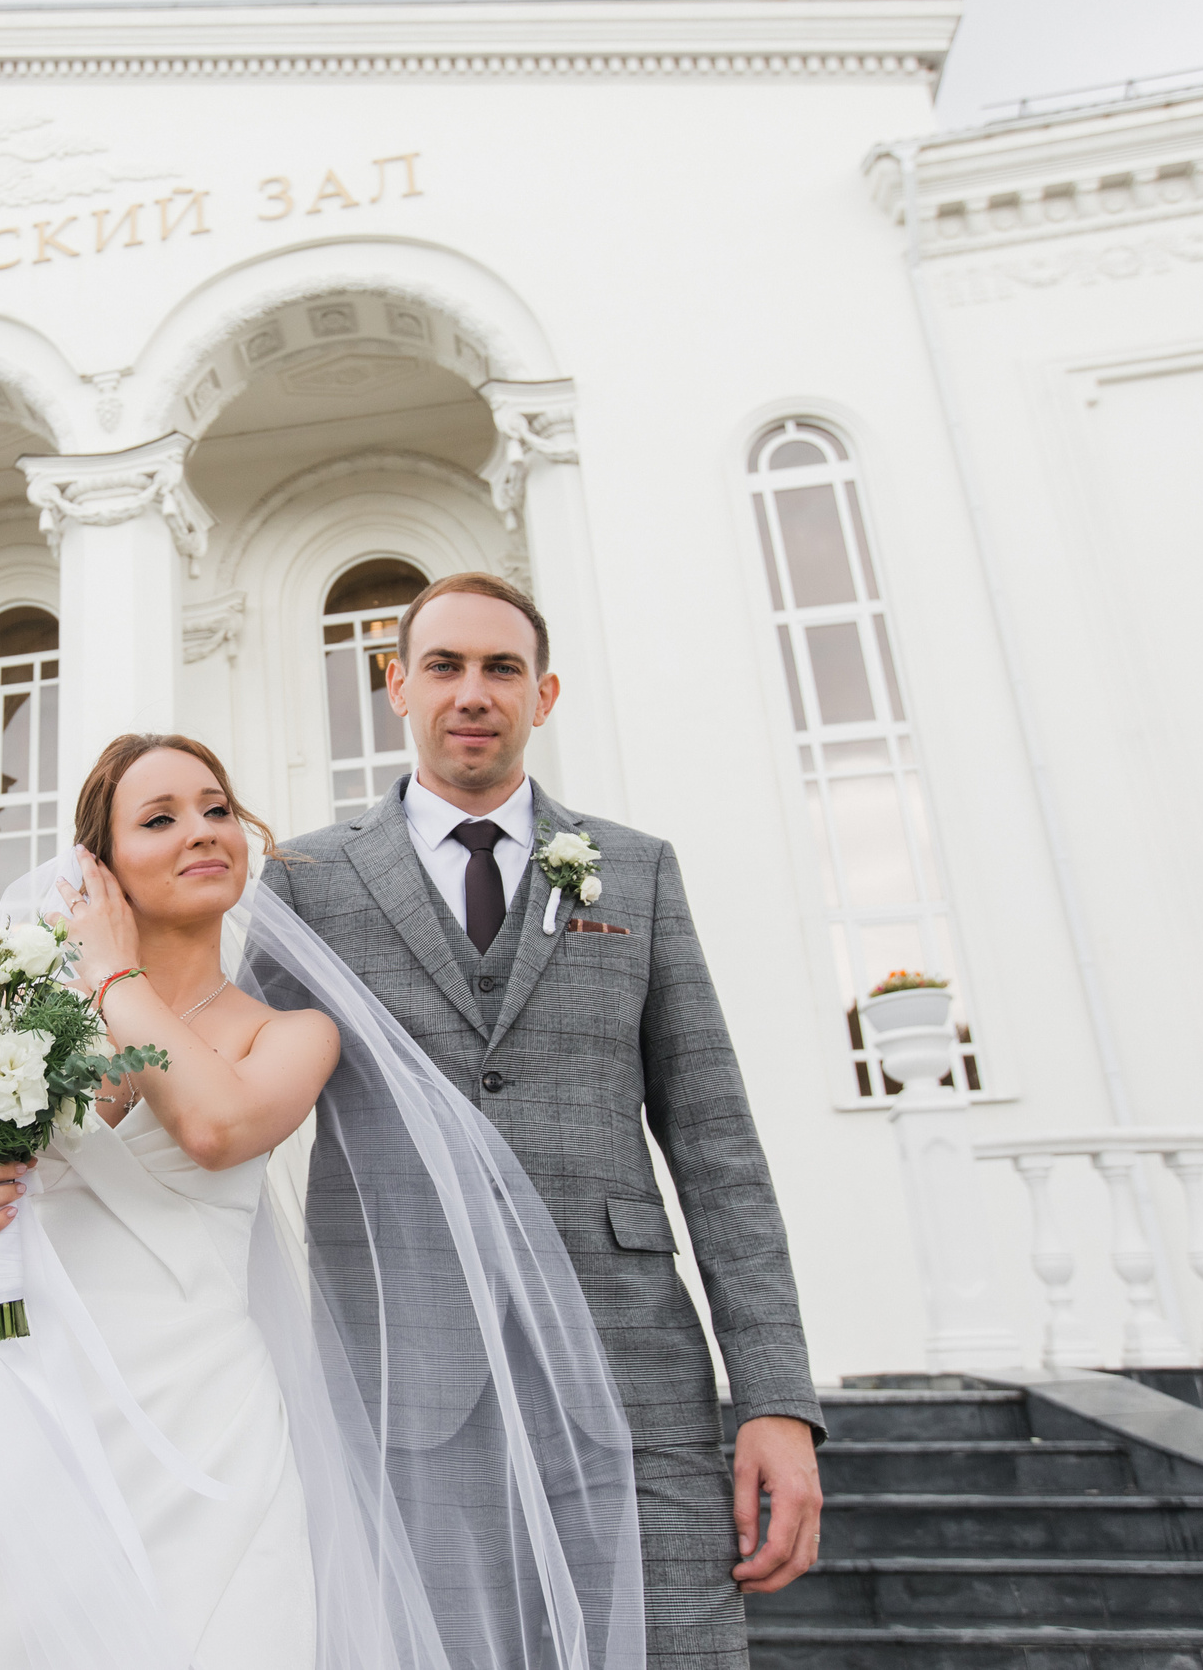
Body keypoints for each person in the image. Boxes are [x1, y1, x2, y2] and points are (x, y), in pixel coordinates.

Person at [0, 732, 653, 1670]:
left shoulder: (293, 1033)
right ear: (102, 867)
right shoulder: (9, 1035)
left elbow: (215, 1126)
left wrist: (106, 974)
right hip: (32, 1410)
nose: (202, 831)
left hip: (211, 1418)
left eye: (217, 808)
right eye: (161, 818)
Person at [261, 572, 824, 1670]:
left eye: (500, 668)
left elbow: (715, 1143)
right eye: (445, 666)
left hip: (633, 1373)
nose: (473, 694)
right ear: (396, 687)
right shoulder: (308, 882)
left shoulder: (636, 870)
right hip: (403, 1383)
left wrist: (776, 1400)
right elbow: (228, 1109)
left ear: (543, 693)